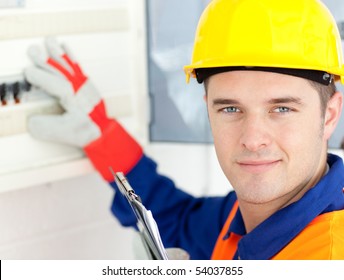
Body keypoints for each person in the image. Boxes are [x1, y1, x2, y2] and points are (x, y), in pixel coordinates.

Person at [25, 0, 344, 259]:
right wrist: (102, 136)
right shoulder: (250, 217)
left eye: (282, 109)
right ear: (208, 108)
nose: (253, 139)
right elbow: (176, 220)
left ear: (329, 114)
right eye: (231, 108)